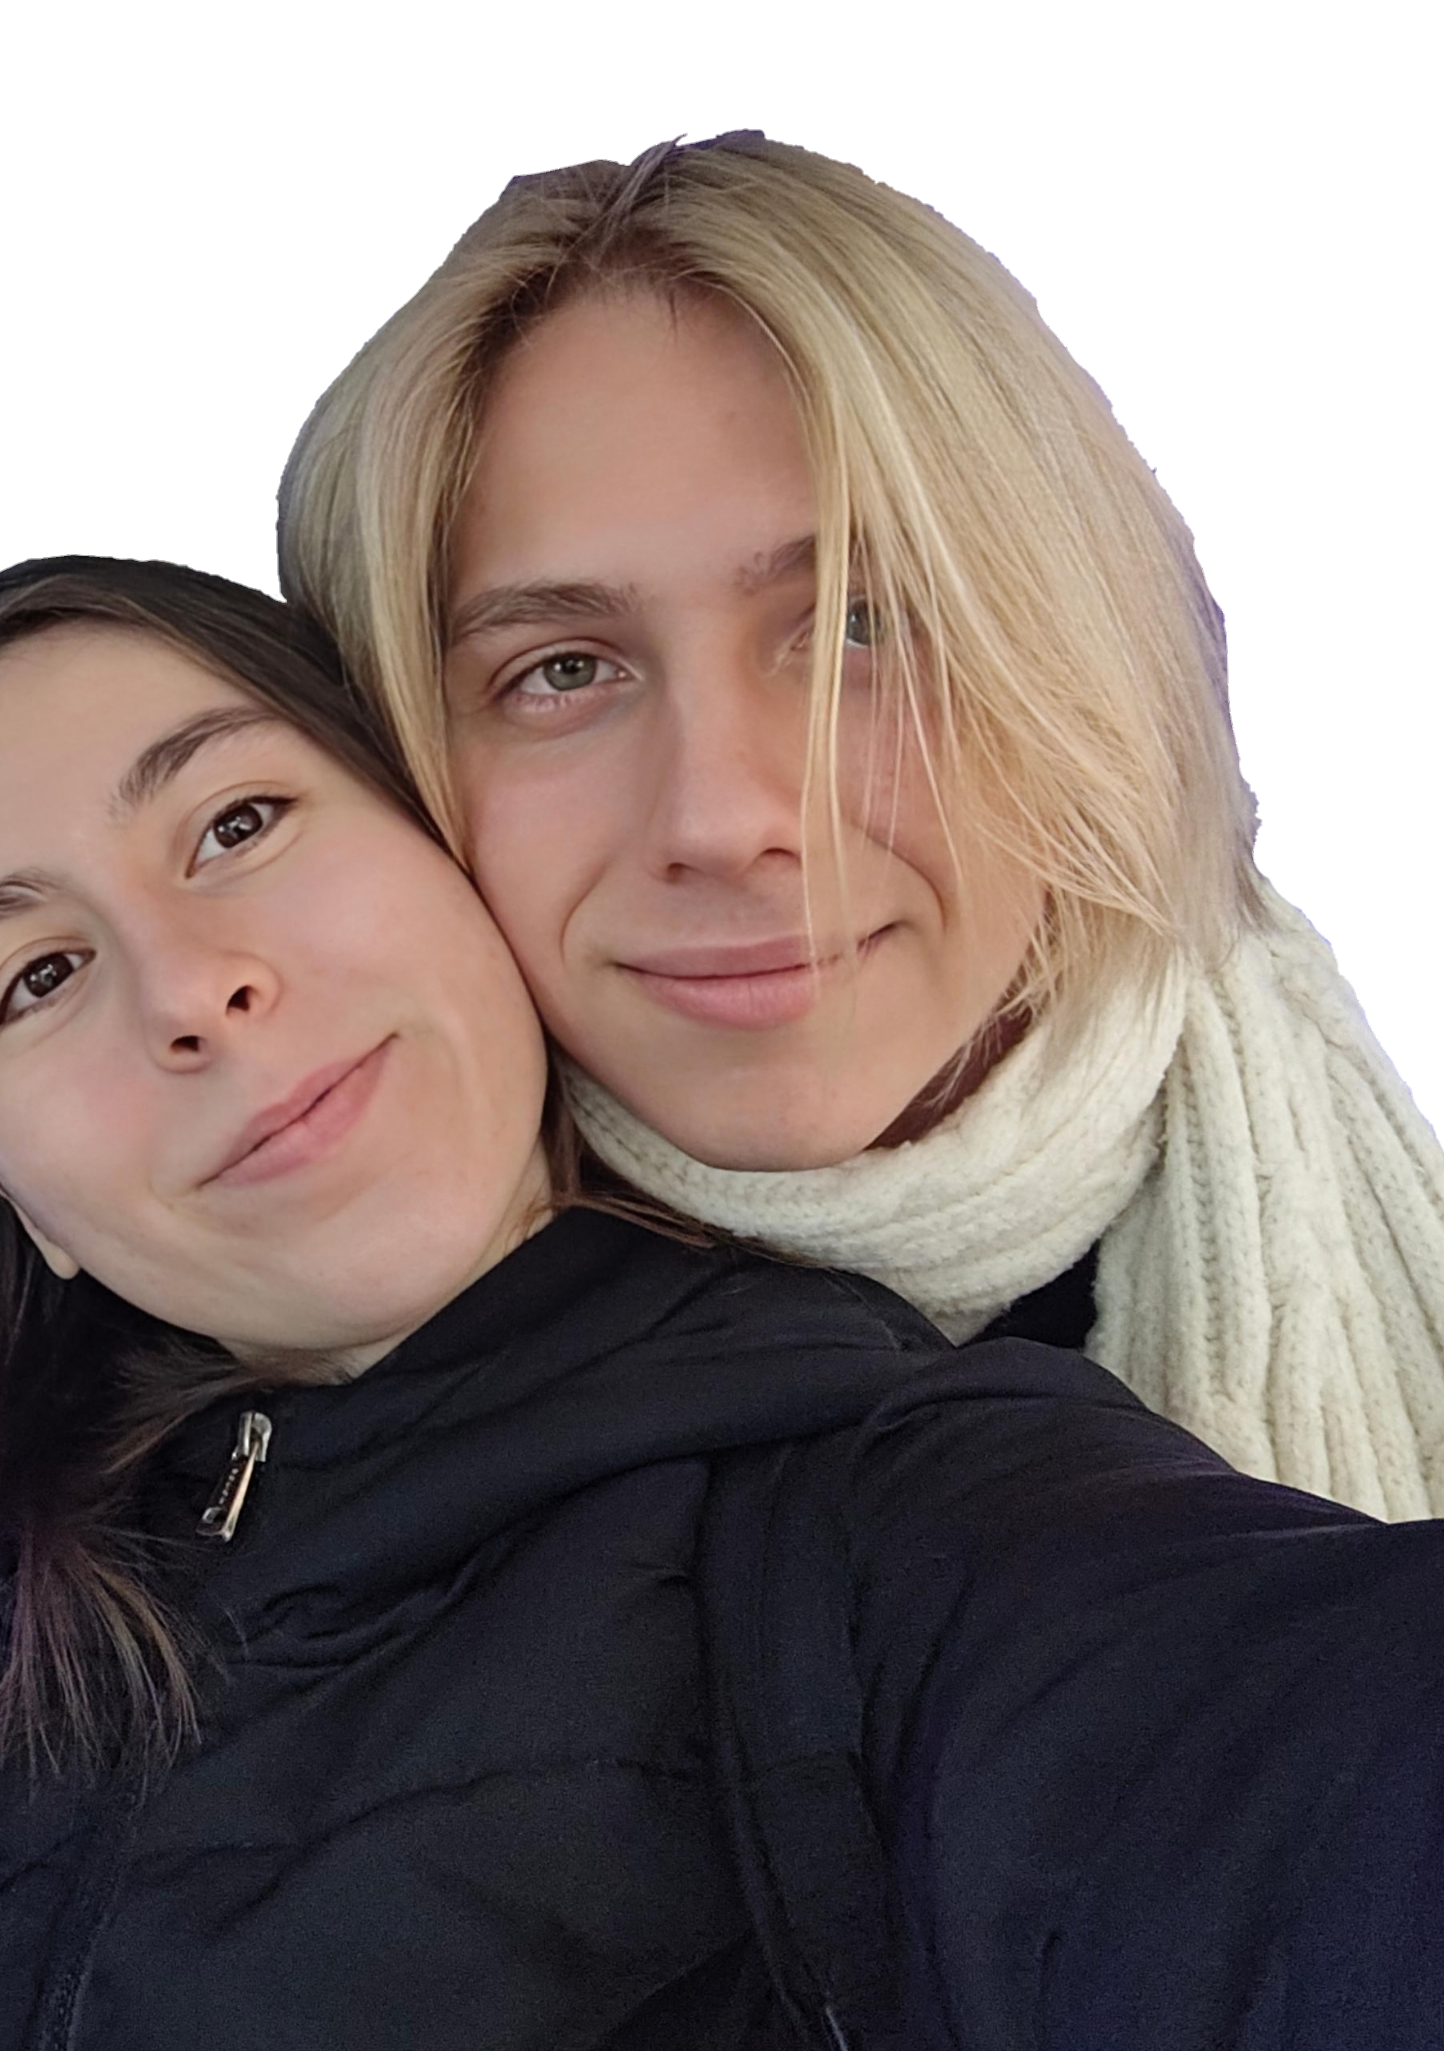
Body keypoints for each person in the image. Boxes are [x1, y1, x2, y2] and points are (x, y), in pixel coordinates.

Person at [0, 556, 1438, 2051]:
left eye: (237, 824)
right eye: (37, 978)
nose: (194, 989)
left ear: (449, 851)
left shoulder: (870, 1504)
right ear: (13, 1200)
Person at [276, 129, 1444, 1524]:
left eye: (860, 626)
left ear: (1087, 654)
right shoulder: (274, 1426)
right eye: (563, 670)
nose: (722, 820)